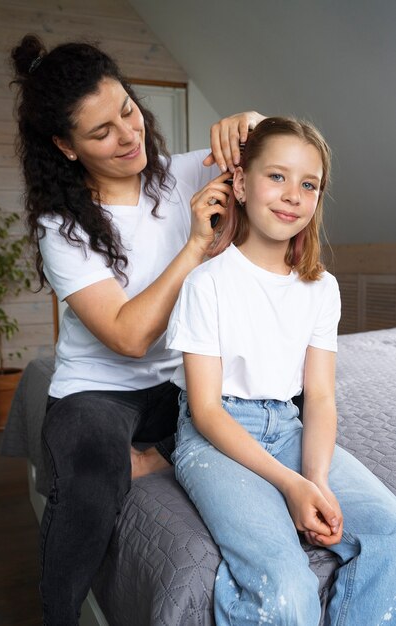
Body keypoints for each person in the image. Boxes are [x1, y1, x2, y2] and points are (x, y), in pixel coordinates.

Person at [10, 33, 264, 625]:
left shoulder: (183, 174)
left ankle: (150, 456)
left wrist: (253, 121)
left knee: (253, 448)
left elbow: (282, 156)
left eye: (127, 110)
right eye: (101, 132)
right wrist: (195, 246)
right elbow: (127, 338)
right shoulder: (63, 227)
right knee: (90, 478)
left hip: (182, 378)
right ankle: (60, 616)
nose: (128, 136)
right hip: (99, 387)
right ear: (65, 147)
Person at [166, 117, 396, 625]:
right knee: (288, 588)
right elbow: (204, 411)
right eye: (277, 176)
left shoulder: (322, 289)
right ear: (241, 184)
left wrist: (314, 479)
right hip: (216, 436)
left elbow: (319, 397)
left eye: (308, 184)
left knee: (392, 532)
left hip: (288, 426)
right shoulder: (207, 283)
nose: (293, 194)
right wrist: (289, 487)